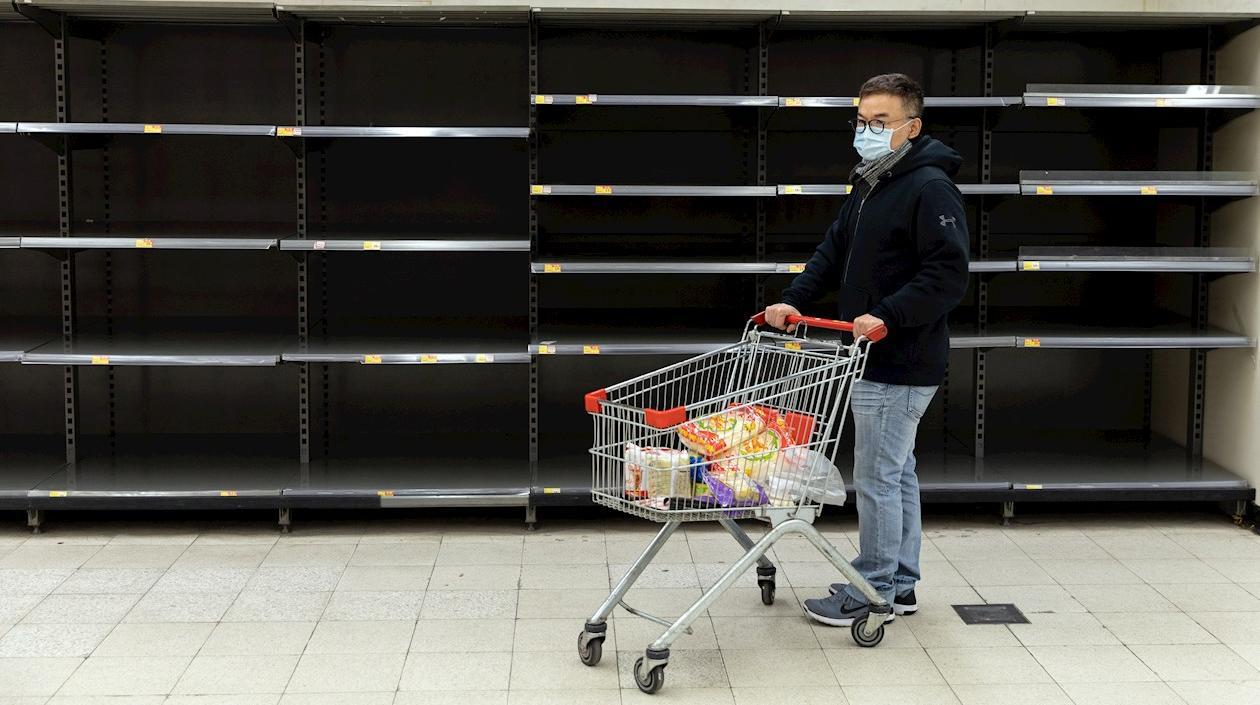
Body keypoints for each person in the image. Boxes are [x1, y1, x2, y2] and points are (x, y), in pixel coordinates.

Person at [763, 73, 970, 627]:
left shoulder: (929, 188)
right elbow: (834, 250)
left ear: (912, 127)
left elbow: (949, 275)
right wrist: (793, 299)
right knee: (897, 473)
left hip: (901, 359)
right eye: (861, 120)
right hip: (871, 355)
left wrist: (889, 314)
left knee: (878, 476)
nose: (867, 130)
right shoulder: (872, 181)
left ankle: (871, 587)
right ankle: (899, 583)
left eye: (881, 122)